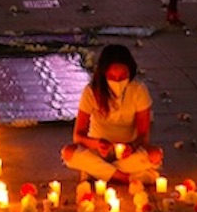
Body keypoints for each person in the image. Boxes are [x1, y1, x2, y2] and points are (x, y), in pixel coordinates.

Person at [62, 44, 163, 185]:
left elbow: (143, 135)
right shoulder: (92, 92)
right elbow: (78, 136)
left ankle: (98, 173)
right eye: (112, 77)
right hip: (98, 151)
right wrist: (97, 144)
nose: (117, 82)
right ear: (103, 74)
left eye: (123, 77)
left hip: (128, 153)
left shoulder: (138, 90)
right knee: (68, 152)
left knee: (155, 155)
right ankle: (127, 178)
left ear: (131, 72)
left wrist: (132, 146)